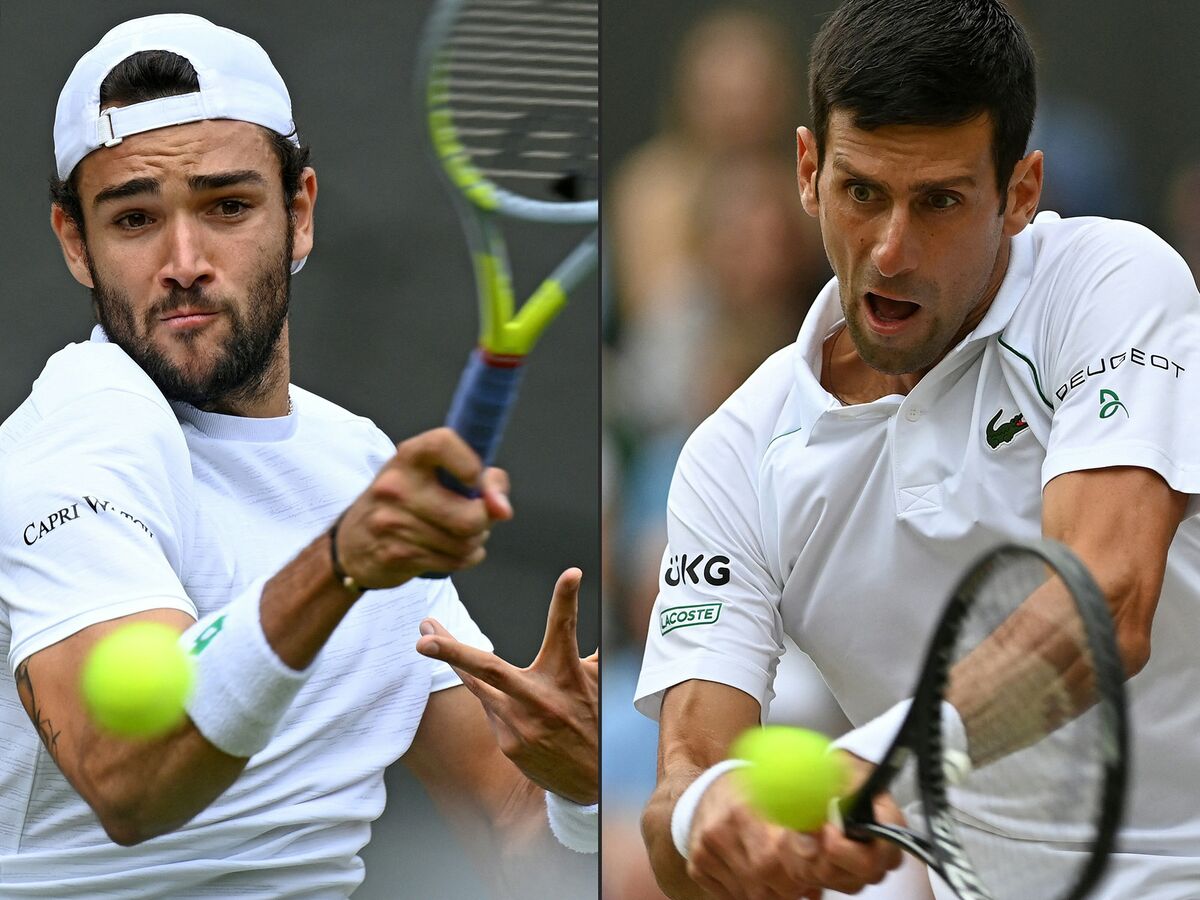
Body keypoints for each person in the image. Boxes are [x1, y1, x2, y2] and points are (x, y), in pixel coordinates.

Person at [0, 14, 597, 899]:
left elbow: (512, 831)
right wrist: (339, 564)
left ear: (301, 213)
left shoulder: (355, 463)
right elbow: (128, 778)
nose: (185, 261)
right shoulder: (77, 439)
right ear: (74, 243)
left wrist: (578, 791)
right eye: (134, 219)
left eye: (228, 206)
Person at [635, 1, 1200, 897]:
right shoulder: (730, 456)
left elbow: (1107, 599)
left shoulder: (1113, 282)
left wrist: (874, 765)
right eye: (862, 192)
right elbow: (684, 790)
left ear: (1020, 193)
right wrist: (717, 818)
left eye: (939, 201)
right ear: (808, 170)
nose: (892, 251)